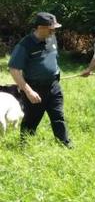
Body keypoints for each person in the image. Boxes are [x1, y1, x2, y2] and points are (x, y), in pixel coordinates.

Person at [8, 12, 72, 147]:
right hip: (34, 88)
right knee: (31, 120)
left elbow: (53, 59)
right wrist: (28, 91)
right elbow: (14, 69)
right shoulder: (25, 44)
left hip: (53, 86)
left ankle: (64, 144)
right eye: (51, 28)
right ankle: (25, 146)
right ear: (40, 27)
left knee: (58, 117)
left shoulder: (52, 38)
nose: (54, 30)